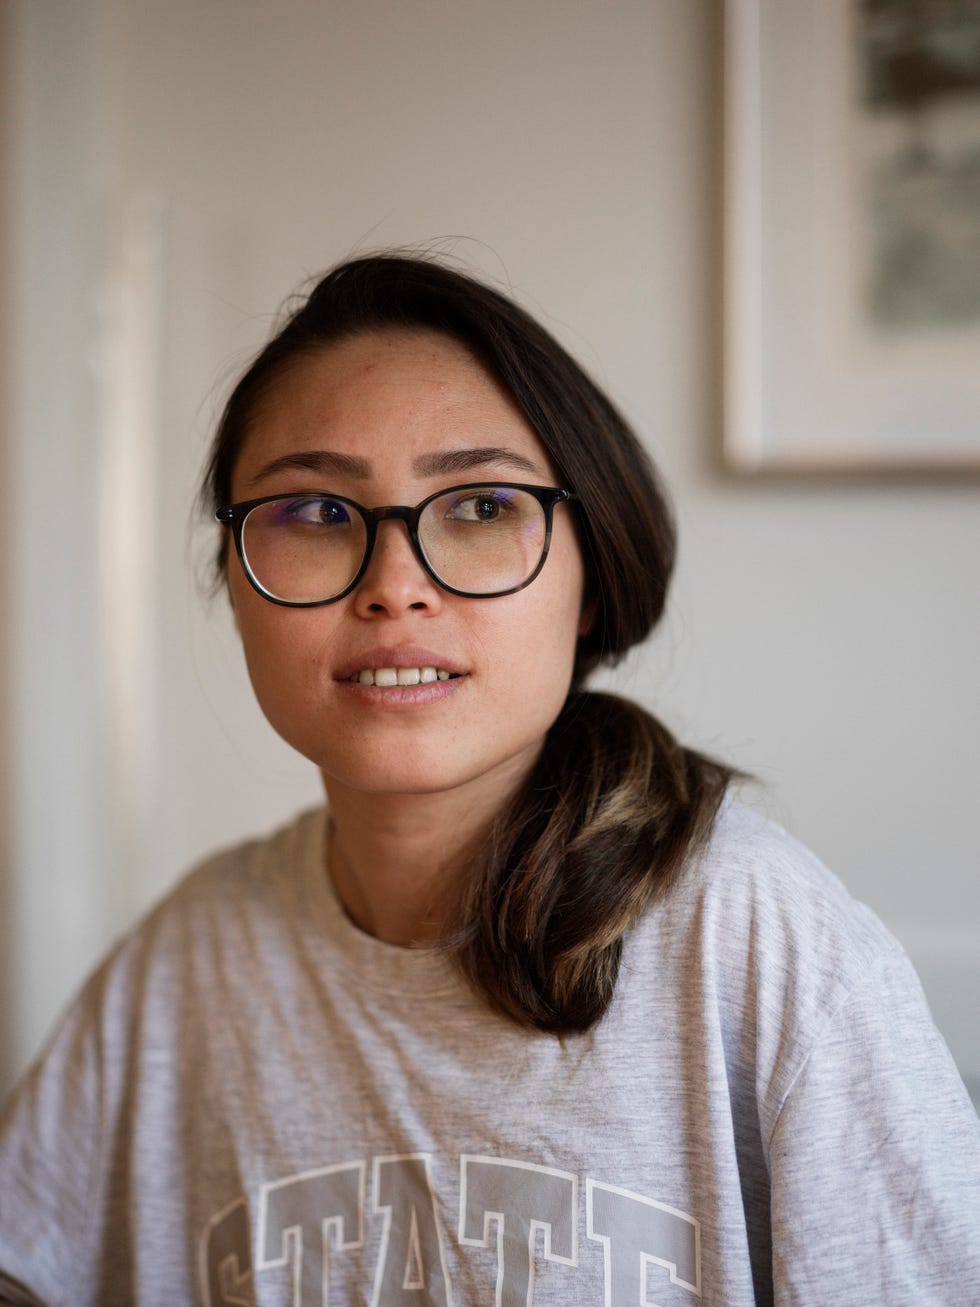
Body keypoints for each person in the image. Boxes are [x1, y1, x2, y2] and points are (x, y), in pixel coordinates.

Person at [0, 253, 977, 1307]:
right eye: (316, 514)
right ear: (232, 582)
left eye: (477, 505)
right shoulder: (190, 959)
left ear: (590, 575)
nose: (393, 587)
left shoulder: (756, 941)